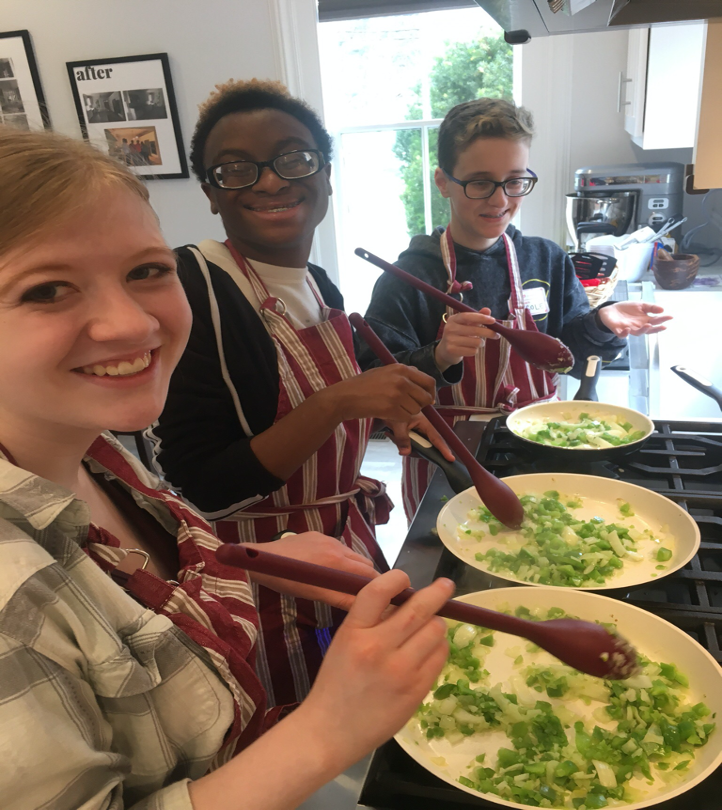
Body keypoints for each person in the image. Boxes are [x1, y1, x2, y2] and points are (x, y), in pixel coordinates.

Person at [0, 124, 453, 810]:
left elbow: (150, 573)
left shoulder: (99, 450)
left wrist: (258, 556)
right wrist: (328, 730)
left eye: (145, 271)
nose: (128, 324)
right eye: (46, 290)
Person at [148, 79, 451, 706]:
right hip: (258, 579)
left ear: (326, 174)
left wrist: (350, 467)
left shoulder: (316, 282)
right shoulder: (192, 285)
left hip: (338, 545)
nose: (268, 181)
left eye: (294, 157)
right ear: (209, 193)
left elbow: (313, 417)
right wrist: (342, 403)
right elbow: (204, 483)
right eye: (236, 170)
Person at [359, 98, 671, 519]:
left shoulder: (545, 260)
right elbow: (373, 388)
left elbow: (568, 360)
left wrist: (601, 323)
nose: (500, 199)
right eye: (480, 182)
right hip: (449, 465)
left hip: (541, 451)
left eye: (515, 181)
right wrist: (439, 356)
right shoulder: (408, 278)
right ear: (442, 181)